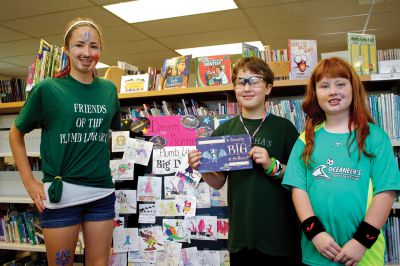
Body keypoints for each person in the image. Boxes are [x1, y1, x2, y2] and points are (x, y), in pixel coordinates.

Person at [9, 17, 120, 266]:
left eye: (94, 47)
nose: (87, 53)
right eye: (79, 45)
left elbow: (109, 134)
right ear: (67, 49)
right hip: (62, 195)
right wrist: (29, 182)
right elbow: (15, 133)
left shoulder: (109, 90)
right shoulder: (48, 89)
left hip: (102, 192)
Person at [282, 57, 400, 266]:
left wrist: (362, 242)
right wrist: (315, 234)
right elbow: (298, 190)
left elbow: (386, 192)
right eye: (324, 86)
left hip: (365, 255)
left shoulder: (375, 137)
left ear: (353, 88)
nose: (333, 91)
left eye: (340, 84)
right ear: (315, 93)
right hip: (317, 253)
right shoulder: (305, 140)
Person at [188, 56, 302, 265]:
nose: (247, 87)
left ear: (268, 88)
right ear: (234, 88)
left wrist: (271, 165)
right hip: (241, 237)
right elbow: (219, 181)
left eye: (254, 80)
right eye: (241, 81)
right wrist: (202, 168)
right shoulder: (224, 130)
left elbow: (300, 178)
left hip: (280, 237)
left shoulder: (284, 128)